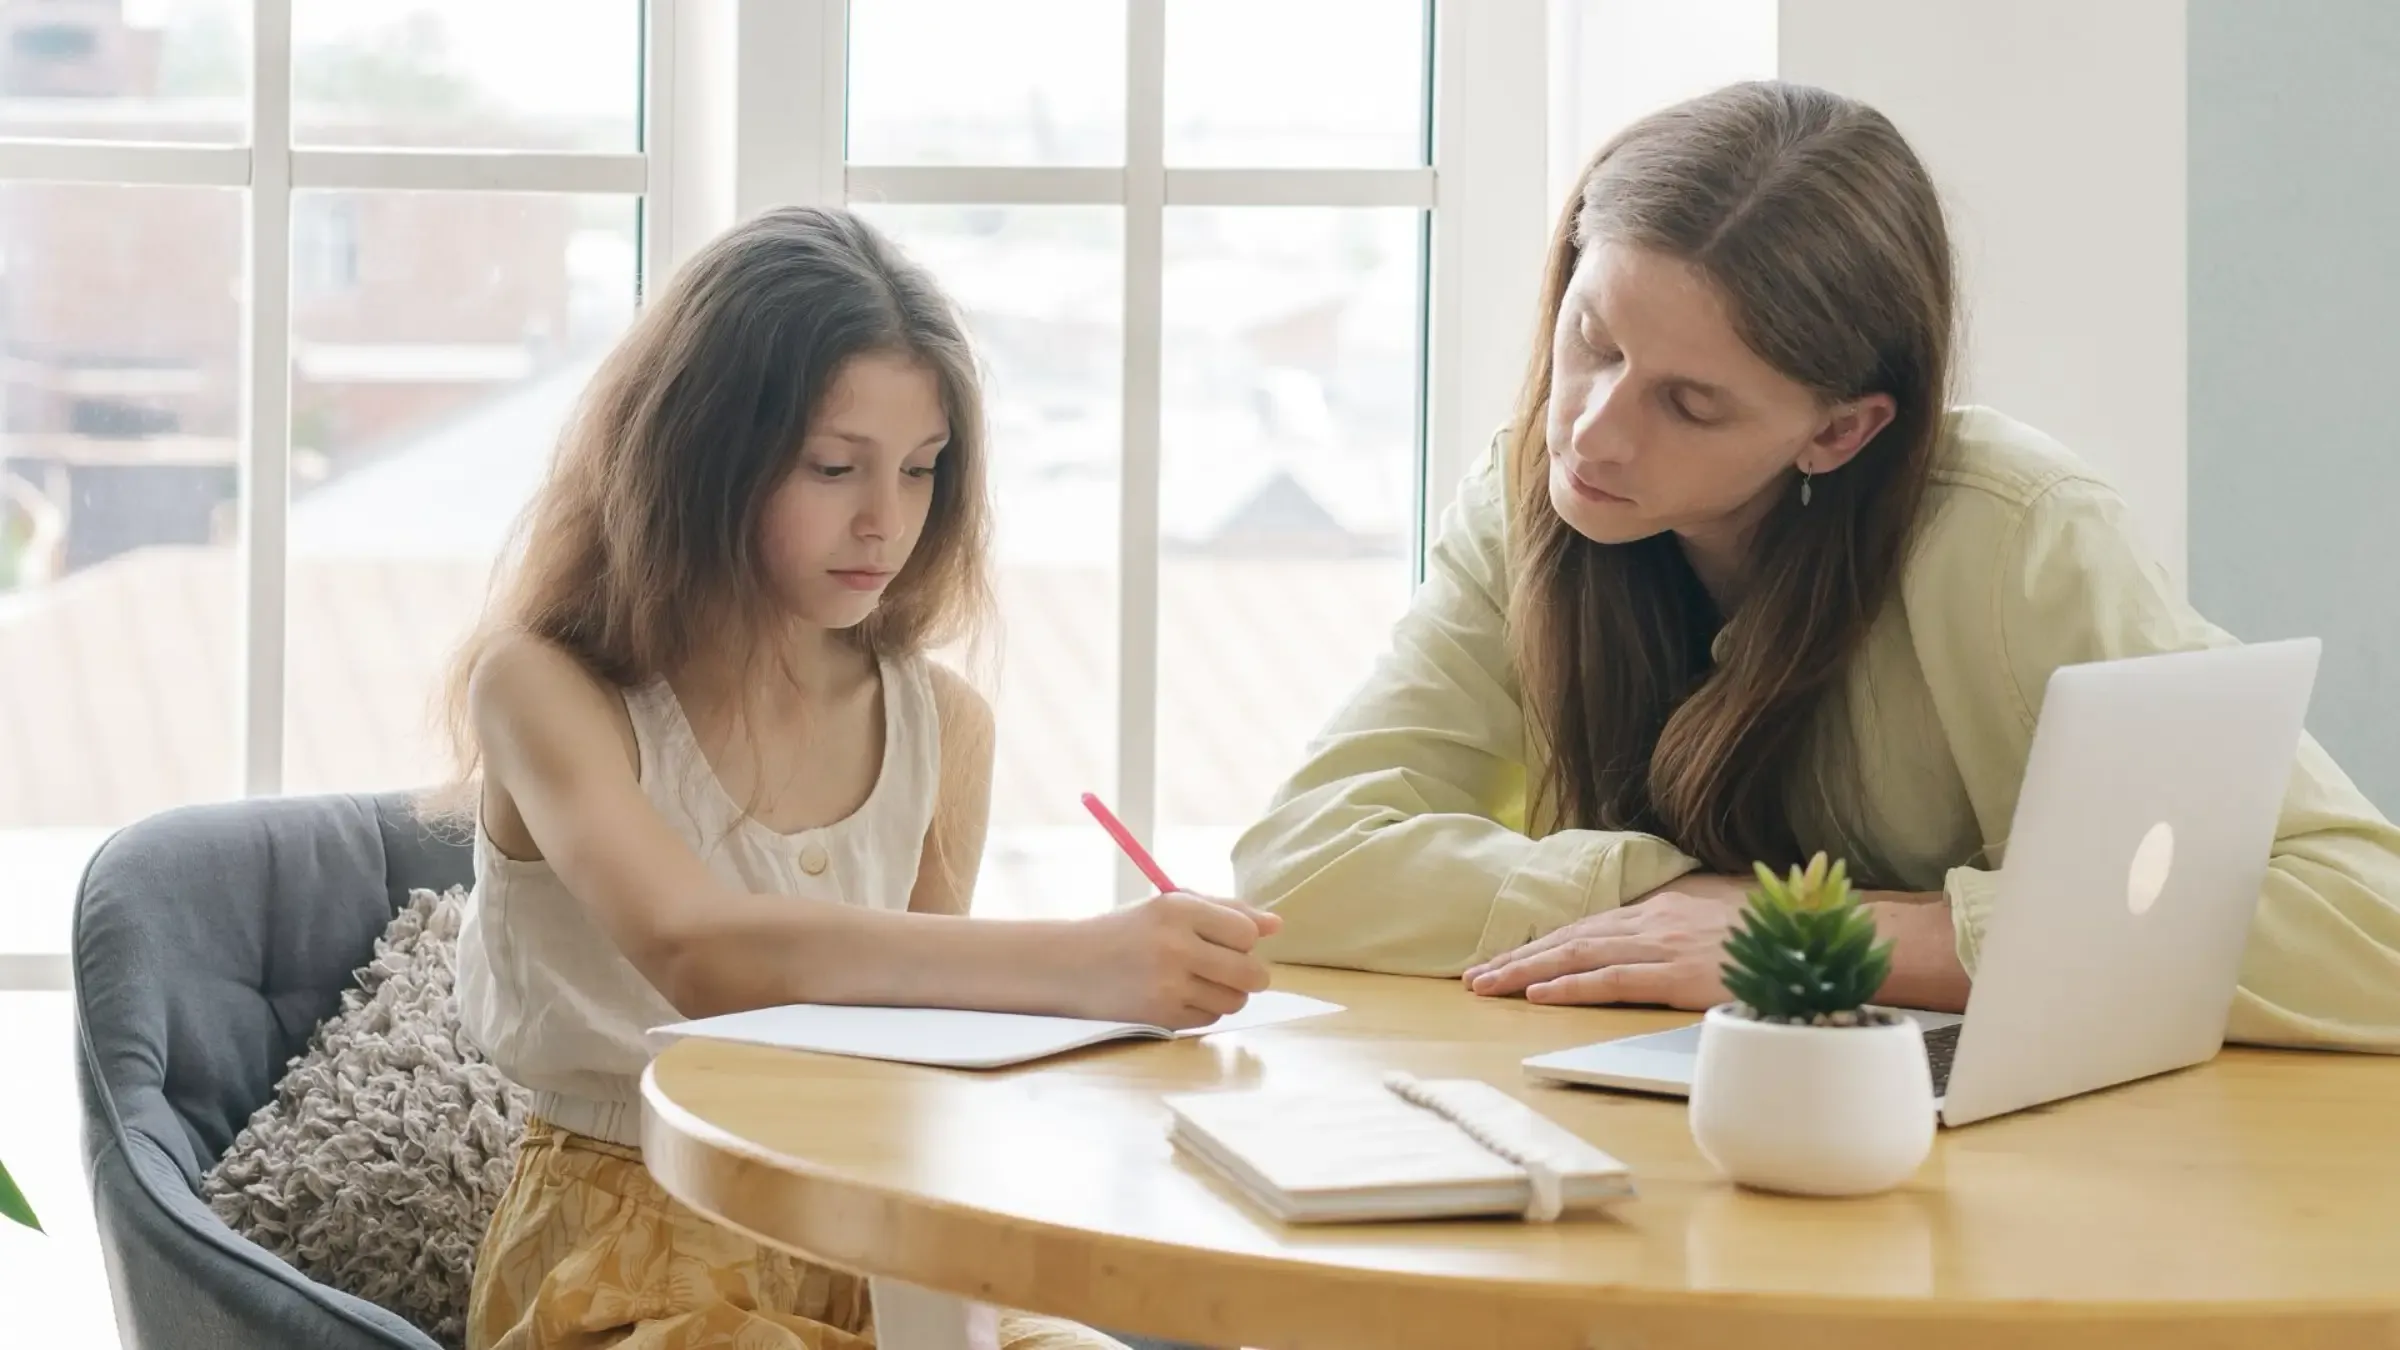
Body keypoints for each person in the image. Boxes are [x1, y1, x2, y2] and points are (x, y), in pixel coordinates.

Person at [1229, 80, 2400, 1050]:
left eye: (1690, 404)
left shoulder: (2015, 533)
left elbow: (2366, 928)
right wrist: (1667, 907)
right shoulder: (1526, 498)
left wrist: (1818, 937)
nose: (1592, 431)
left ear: (1841, 431)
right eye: (1593, 341)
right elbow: (1309, 856)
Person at [440, 205, 1278, 1350]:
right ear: (703, 456)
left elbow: (922, 1053)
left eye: (923, 470)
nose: (885, 522)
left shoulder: (941, 725)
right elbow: (698, 952)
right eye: (834, 467)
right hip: (623, 1256)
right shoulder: (544, 688)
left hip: (878, 1239)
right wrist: (1085, 960)